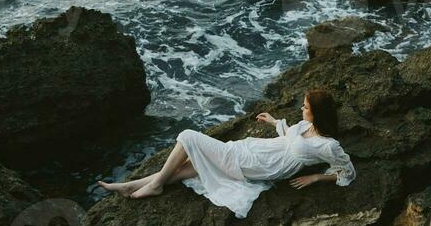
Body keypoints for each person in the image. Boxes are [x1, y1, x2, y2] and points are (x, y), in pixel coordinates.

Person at [100, 88, 356, 219]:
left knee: (188, 137)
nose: (301, 108)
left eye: (306, 106)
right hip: (256, 151)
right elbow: (289, 137)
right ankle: (130, 185)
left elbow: (348, 171)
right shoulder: (306, 126)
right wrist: (275, 122)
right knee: (189, 166)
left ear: (317, 112)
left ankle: (154, 184)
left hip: (260, 165)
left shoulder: (328, 145)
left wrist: (316, 178)